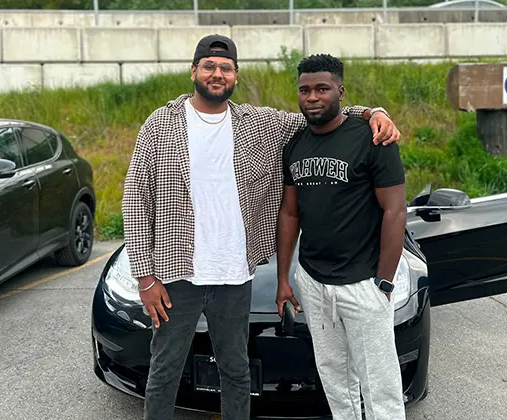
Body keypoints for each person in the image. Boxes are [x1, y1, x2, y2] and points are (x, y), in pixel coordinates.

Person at [122, 34, 401, 420]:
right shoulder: (160, 124)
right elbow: (135, 200)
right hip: (176, 276)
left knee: (236, 371)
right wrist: (144, 277)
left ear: (235, 75)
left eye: (225, 68)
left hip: (234, 275)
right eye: (209, 66)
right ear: (193, 71)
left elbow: (321, 111)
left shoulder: (258, 123)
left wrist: (373, 112)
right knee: (165, 371)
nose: (217, 74)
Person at [275, 53, 407, 420]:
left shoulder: (372, 138)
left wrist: (384, 280)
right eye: (304, 90)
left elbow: (395, 211)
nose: (312, 97)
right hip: (314, 281)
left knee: (379, 385)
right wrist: (285, 278)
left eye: (322, 89)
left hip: (362, 282)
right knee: (335, 378)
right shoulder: (295, 144)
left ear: (340, 92)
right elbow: (290, 213)